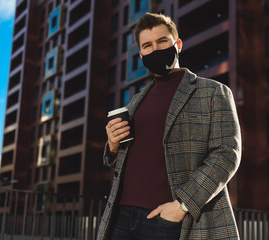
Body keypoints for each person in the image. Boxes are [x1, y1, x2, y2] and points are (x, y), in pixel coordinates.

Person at [97, 12, 241, 240]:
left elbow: (226, 155)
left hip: (171, 220)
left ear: (178, 44)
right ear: (142, 55)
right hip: (122, 217)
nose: (155, 49)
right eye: (147, 45)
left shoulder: (213, 92)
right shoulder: (136, 101)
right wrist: (113, 146)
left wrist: (182, 205)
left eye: (162, 41)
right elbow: (130, 154)